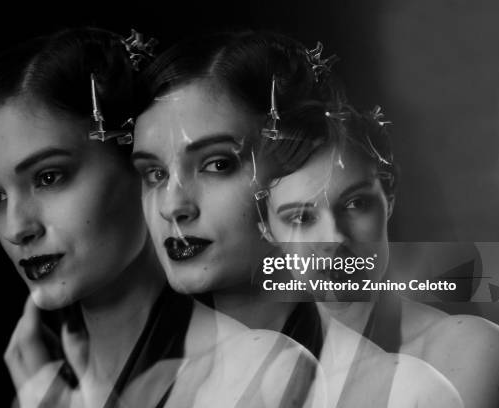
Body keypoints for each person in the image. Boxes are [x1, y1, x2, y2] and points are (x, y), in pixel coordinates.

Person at [0, 26, 317, 408]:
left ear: (136, 166)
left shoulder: (259, 371)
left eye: (49, 177)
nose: (17, 228)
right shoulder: (40, 385)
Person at [133, 30, 467, 407]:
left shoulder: (407, 387)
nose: (171, 205)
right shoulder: (163, 387)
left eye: (218, 164)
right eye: (154, 173)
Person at [255, 98, 499, 407]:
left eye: (355, 203)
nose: (334, 238)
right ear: (267, 229)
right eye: (301, 218)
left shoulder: (471, 351)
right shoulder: (271, 381)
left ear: (390, 200)